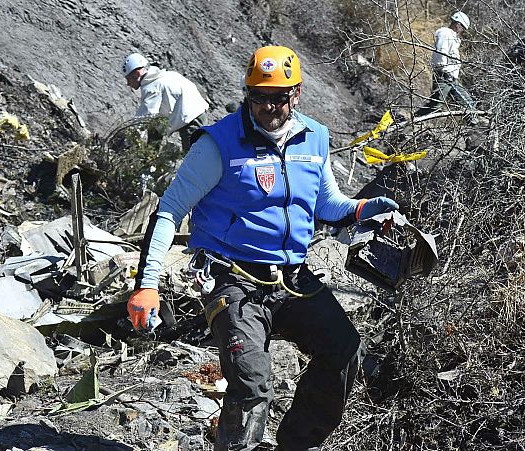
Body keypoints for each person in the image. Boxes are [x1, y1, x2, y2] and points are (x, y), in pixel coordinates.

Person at [127, 45, 399, 450]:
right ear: (247, 92)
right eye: (258, 95)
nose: (268, 106)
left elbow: (326, 204)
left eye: (278, 96)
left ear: (298, 93)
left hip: (291, 278)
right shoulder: (218, 144)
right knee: (253, 386)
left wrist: (361, 210)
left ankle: (296, 444)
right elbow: (168, 212)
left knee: (344, 349)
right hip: (232, 280)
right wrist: (147, 284)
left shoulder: (315, 138)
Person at [122, 52, 210, 151]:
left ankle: (149, 161)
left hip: (190, 120)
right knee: (155, 130)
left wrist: (130, 139)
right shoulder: (167, 75)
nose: (128, 83)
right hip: (196, 115)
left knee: (193, 158)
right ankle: (149, 159)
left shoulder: (153, 86)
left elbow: (145, 117)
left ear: (137, 73)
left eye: (128, 79)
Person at [416, 11, 479, 124]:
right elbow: (441, 53)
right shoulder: (445, 34)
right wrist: (444, 71)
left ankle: (473, 125)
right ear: (458, 24)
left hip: (450, 78)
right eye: (463, 28)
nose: (462, 31)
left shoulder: (452, 37)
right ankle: (412, 120)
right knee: (435, 106)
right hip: (445, 77)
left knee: (467, 103)